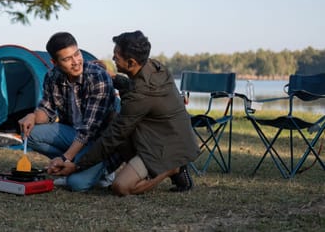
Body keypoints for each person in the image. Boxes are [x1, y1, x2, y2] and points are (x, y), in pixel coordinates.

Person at [48, 30, 200, 196]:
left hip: (166, 145)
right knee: (113, 118)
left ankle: (172, 168)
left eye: (116, 56)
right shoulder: (154, 66)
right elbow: (134, 87)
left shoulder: (139, 97)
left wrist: (78, 165)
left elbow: (113, 136)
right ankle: (142, 167)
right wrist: (113, 77)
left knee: (121, 187)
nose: (113, 59)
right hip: (160, 132)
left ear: (131, 62)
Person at [18, 32, 118, 192]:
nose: (76, 62)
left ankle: (102, 170)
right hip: (72, 134)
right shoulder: (52, 76)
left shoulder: (98, 77)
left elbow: (88, 130)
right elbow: (47, 111)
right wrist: (32, 116)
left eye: (77, 54)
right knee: (29, 134)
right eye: (67, 59)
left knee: (76, 184)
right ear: (55, 62)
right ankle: (75, 164)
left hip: (99, 142)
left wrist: (65, 158)